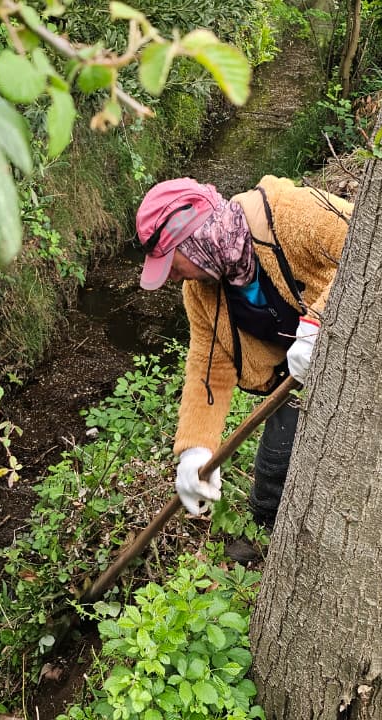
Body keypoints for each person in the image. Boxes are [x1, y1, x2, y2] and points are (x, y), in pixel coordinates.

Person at [136, 175, 352, 527]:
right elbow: (209, 370)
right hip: (294, 375)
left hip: (358, 357)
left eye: (173, 265)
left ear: (197, 242)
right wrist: (195, 449)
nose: (173, 278)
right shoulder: (201, 291)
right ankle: (264, 536)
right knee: (273, 469)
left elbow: (367, 251)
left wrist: (319, 326)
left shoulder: (291, 214)